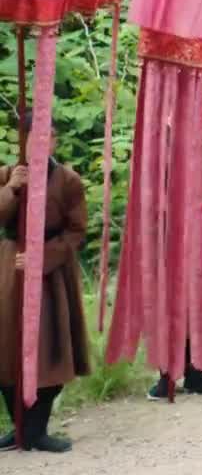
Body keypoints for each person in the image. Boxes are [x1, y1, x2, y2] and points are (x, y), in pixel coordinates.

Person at [0, 110, 90, 453]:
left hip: (52, 275)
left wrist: (42, 258)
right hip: (10, 268)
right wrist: (11, 189)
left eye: (47, 137)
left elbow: (77, 231)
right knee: (8, 348)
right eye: (33, 137)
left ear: (54, 141)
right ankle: (20, 428)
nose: (40, 144)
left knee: (51, 350)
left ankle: (36, 429)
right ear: (21, 140)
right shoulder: (7, 175)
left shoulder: (68, 181)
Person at [147, 127, 202, 399]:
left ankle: (195, 371)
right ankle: (167, 374)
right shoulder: (153, 127)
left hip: (195, 221)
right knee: (167, 298)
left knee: (199, 295)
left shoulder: (201, 130)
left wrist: (189, 133)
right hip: (161, 223)